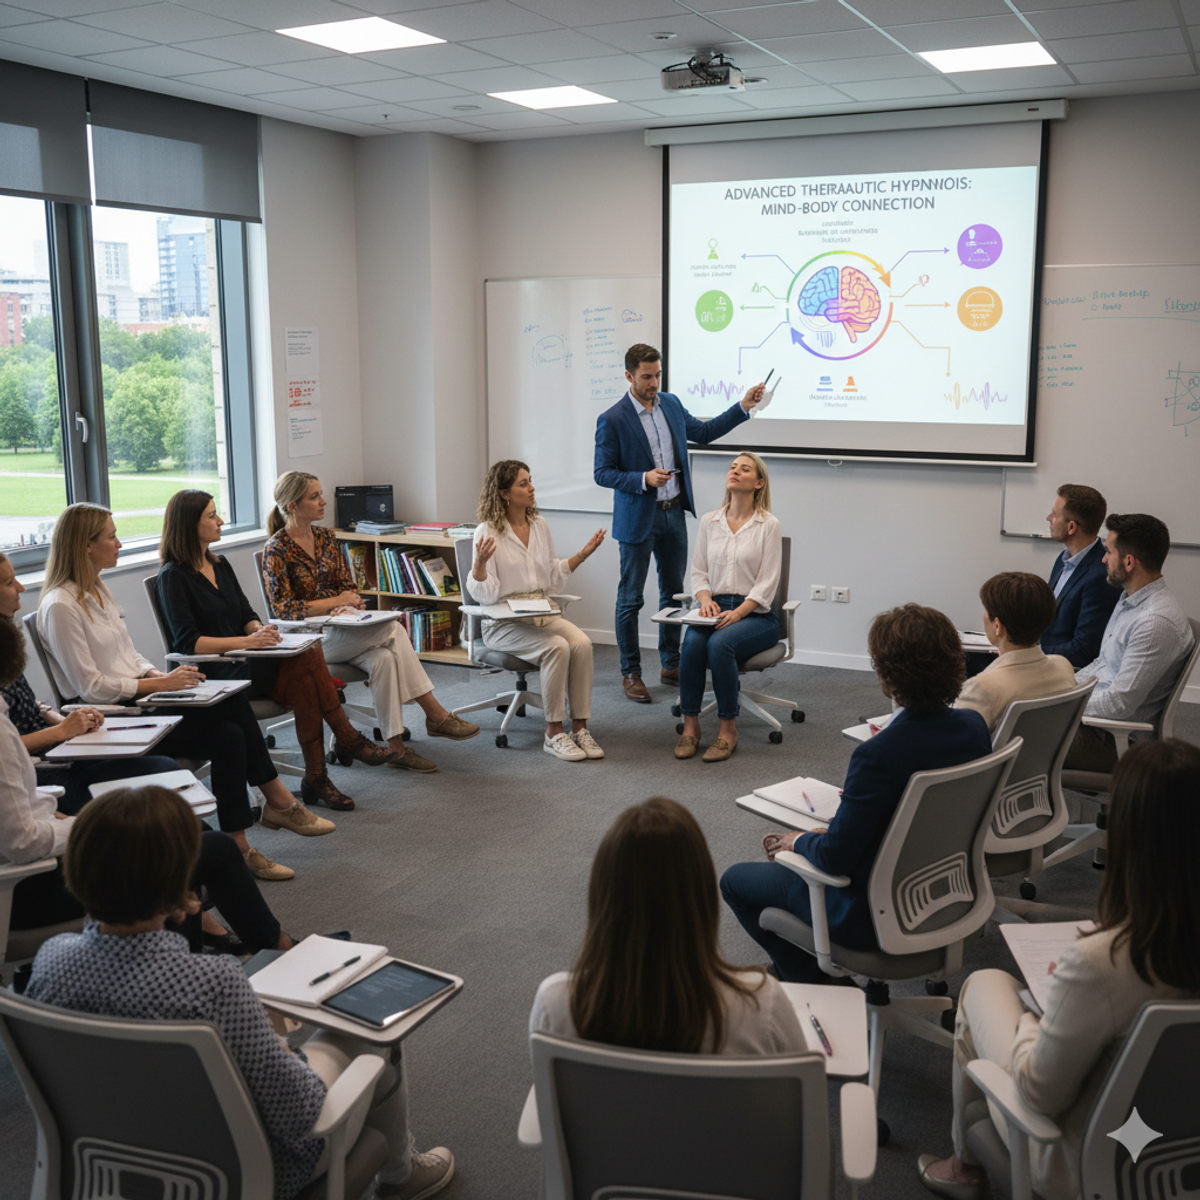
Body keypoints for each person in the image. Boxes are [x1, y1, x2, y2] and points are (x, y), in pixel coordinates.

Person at [25, 786, 455, 1200]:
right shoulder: (213, 983)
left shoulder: (51, 962)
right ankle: (401, 1177)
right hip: (243, 1173)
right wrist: (285, 1052)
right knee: (371, 1034)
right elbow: (300, 1112)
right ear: (180, 876)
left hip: (110, 1163)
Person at [916, 738, 1200, 1200]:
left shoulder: (1105, 963)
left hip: (1087, 1166)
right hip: (1179, 1159)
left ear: (1127, 837)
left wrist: (1037, 1019)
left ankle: (962, 1168)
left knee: (985, 986)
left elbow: (1037, 1094)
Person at [38, 503, 334, 882]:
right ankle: (275, 800)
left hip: (145, 698)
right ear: (85, 546)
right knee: (231, 713)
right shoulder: (60, 606)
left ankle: (238, 842)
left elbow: (129, 656)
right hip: (116, 719)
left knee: (228, 733)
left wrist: (158, 676)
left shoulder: (96, 590)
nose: (119, 543)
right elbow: (90, 687)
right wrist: (158, 683)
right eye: (111, 537)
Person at [720, 604, 991, 982]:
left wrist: (797, 841)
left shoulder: (877, 754)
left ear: (885, 673)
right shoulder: (974, 727)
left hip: (870, 913)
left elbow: (835, 859)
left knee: (734, 881)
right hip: (947, 892)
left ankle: (820, 981)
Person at [0, 619, 290, 954]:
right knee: (199, 849)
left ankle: (205, 951)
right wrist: (94, 828)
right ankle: (255, 949)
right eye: (10, 583)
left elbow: (19, 811)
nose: (21, 589)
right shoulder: (4, 736)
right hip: (36, 886)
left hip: (46, 859)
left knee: (192, 833)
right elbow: (23, 842)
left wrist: (61, 817)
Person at [157, 490, 394, 812]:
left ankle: (319, 775)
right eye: (212, 516)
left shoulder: (219, 563)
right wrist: (246, 643)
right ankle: (337, 752)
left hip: (248, 657)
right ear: (188, 524)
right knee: (306, 667)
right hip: (214, 669)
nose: (221, 521)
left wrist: (259, 631)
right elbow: (188, 643)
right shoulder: (172, 577)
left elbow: (245, 614)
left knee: (305, 670)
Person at [530, 796, 806, 1054]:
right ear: (700, 896)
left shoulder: (558, 1003)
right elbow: (799, 1093)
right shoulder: (759, 1003)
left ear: (601, 894)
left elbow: (551, 1095)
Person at [262, 471, 479, 775]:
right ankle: (435, 714)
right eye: (315, 496)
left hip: (342, 629)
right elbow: (284, 610)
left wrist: (346, 603)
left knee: (384, 659)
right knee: (393, 628)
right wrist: (334, 602)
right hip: (307, 641)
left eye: (321, 493)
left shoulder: (326, 538)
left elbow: (348, 587)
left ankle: (395, 749)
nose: (324, 501)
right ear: (293, 505)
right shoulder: (277, 549)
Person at [594, 343, 766, 703]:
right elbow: (602, 473)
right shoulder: (612, 419)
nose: (654, 382)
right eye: (646, 377)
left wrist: (743, 407)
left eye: (657, 375)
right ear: (629, 376)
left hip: (674, 512)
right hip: (639, 517)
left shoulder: (670, 404)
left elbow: (703, 433)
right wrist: (643, 479)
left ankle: (671, 662)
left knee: (673, 594)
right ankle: (631, 672)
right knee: (630, 599)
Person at [0, 551, 178, 815]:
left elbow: (26, 704)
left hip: (62, 752)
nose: (21, 588)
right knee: (163, 775)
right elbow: (7, 747)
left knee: (167, 771)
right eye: (8, 583)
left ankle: (217, 848)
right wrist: (62, 731)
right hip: (39, 776)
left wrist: (61, 721)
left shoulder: (5, 639)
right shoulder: (60, 605)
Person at [471, 460, 606, 762]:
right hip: (502, 622)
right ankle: (554, 731)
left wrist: (582, 555)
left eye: (530, 481)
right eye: (523, 483)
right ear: (504, 493)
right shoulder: (488, 530)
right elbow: (485, 592)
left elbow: (552, 577)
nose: (532, 488)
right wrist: (479, 565)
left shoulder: (539, 525)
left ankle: (580, 727)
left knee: (581, 644)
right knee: (557, 647)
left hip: (540, 610)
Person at [1066, 512, 1194, 773]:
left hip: (1116, 743)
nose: (1102, 559)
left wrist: (1060, 704)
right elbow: (1102, 664)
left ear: (1128, 561)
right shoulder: (1130, 600)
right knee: (1014, 723)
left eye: (1108, 552)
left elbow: (1118, 705)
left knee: (1017, 738)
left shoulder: (1154, 622)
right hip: (1093, 725)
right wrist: (1063, 687)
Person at [675, 452, 781, 763]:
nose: (735, 471)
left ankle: (727, 729)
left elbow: (767, 583)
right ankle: (691, 726)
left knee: (720, 645)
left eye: (744, 469)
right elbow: (698, 572)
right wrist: (705, 599)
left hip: (756, 615)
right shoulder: (710, 521)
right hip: (714, 608)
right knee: (692, 643)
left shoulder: (768, 525)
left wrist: (738, 613)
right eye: (733, 466)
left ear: (758, 483)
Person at [954, 572, 1076, 734]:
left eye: (986, 609)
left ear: (998, 626)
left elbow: (954, 747)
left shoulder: (983, 688)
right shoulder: (1063, 666)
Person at [1041, 483, 1119, 667]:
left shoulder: (1100, 576)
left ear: (1071, 527)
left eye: (1055, 514)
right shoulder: (1063, 558)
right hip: (1043, 658)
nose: (1048, 518)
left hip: (1062, 670)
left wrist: (1030, 654)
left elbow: (1084, 650)